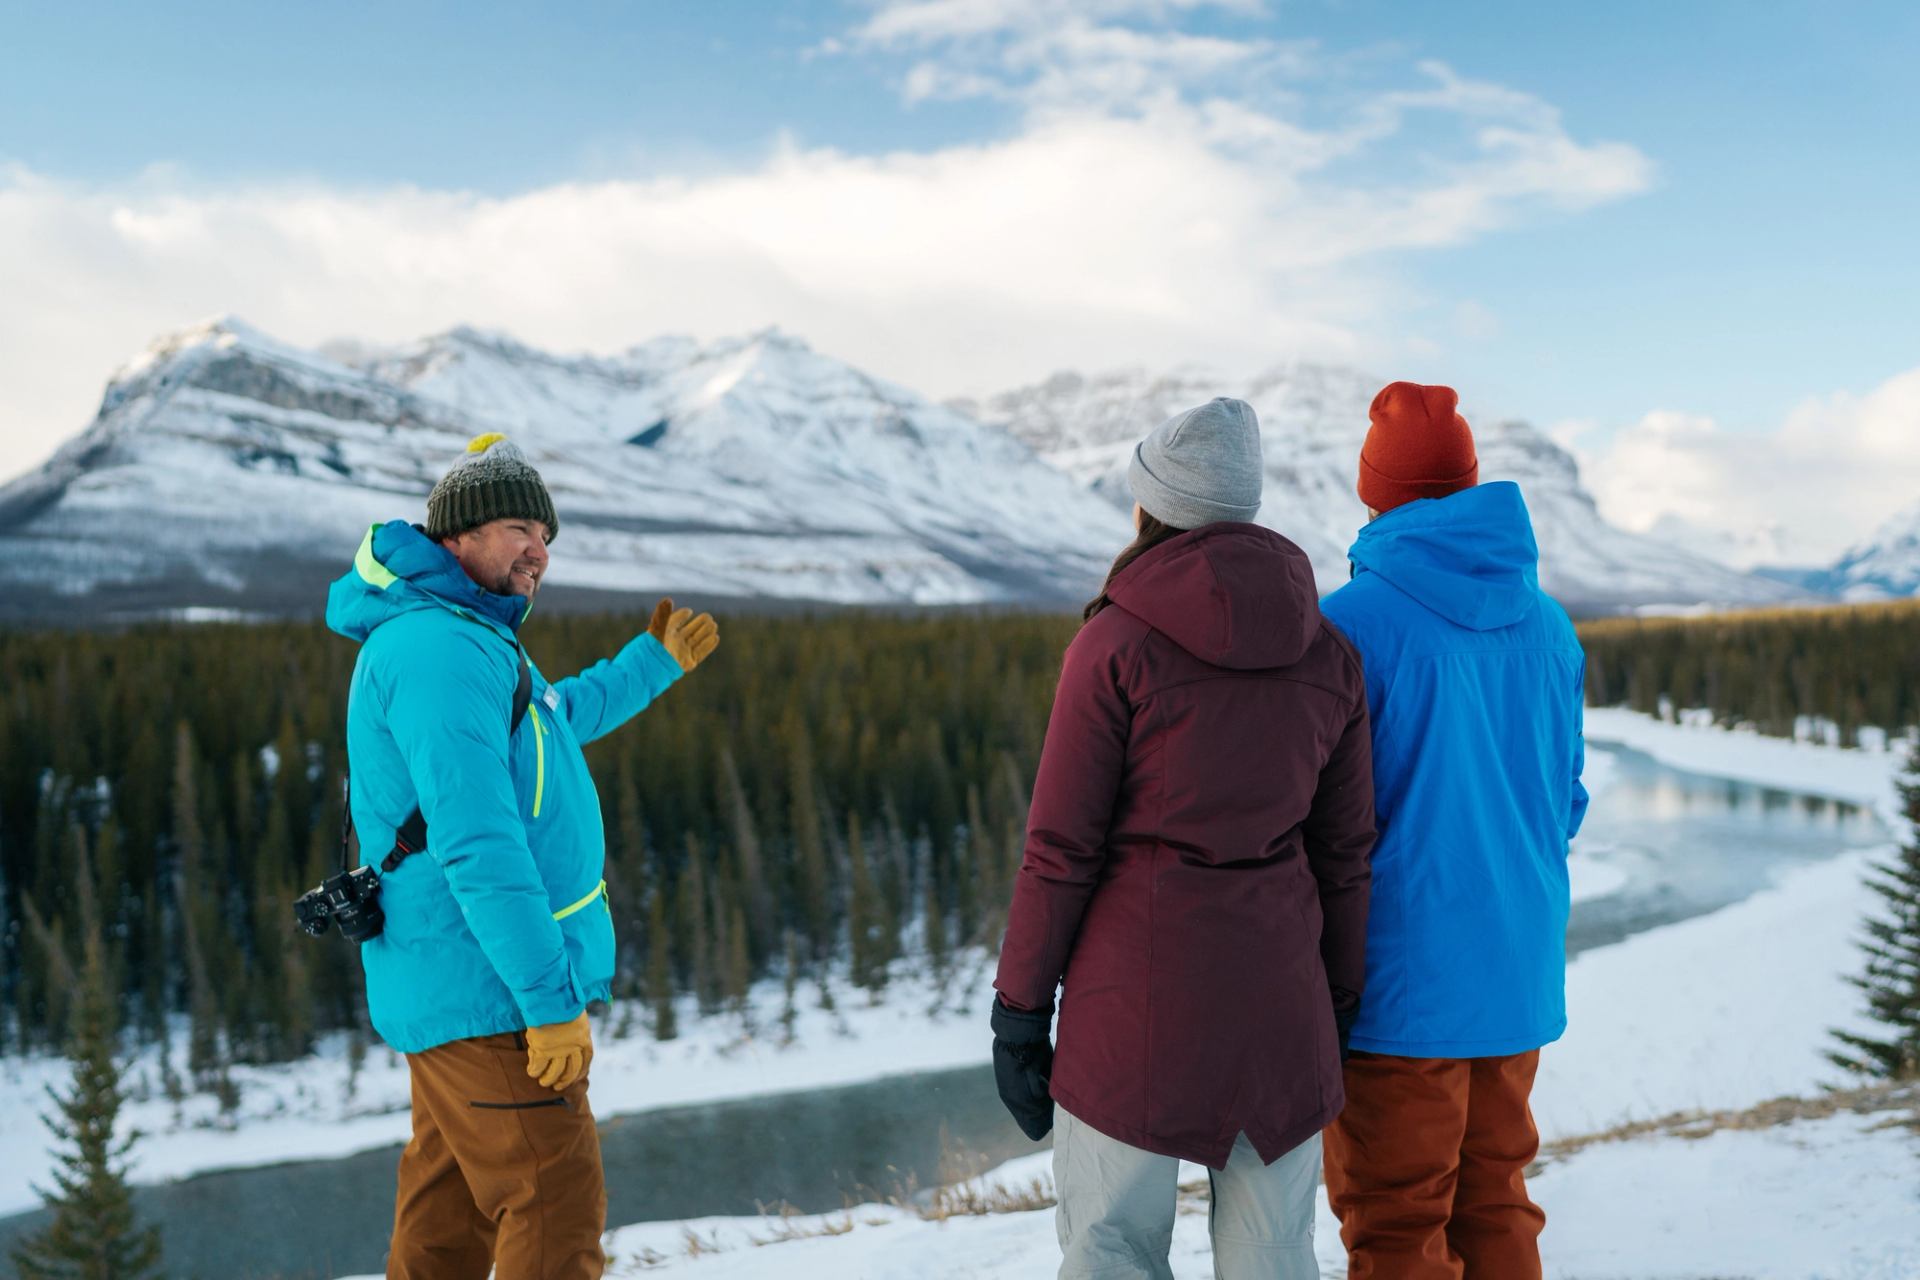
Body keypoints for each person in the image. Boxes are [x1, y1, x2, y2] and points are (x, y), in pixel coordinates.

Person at [992, 398, 1377, 1280]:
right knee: (1274, 1262)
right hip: (1280, 1008)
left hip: (1132, 1013)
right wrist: (1340, 998)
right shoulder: (1328, 652)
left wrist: (1019, 1013)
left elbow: (1061, 851)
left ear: (1149, 509)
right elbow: (1345, 854)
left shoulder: (1113, 642)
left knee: (1111, 1253)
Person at [325, 433, 719, 1280]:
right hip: (489, 991)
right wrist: (548, 1001)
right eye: (517, 528)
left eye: (547, 536)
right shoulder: (438, 647)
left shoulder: (467, 635)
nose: (540, 552)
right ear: (457, 533)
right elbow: (477, 845)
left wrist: (651, 664)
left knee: (449, 1227)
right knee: (552, 1203)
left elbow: (549, 720)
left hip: (457, 982)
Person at [1318, 383, 1589, 1280]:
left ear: (1375, 492)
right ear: (1469, 483)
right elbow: (1566, 801)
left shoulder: (1348, 625)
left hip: (1401, 987)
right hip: (1516, 969)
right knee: (1498, 1202)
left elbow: (1328, 818)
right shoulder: (1550, 627)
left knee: (1397, 1223)